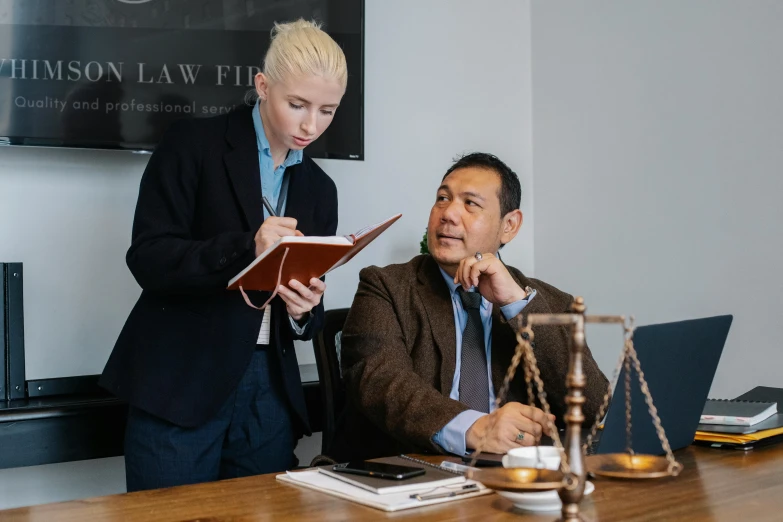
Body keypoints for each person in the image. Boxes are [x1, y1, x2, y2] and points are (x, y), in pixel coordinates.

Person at [100, 19, 347, 491]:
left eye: (327, 110)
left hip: (269, 390)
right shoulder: (192, 144)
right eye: (297, 104)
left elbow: (306, 313)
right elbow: (148, 258)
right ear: (262, 85)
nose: (311, 124)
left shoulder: (320, 189)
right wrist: (246, 246)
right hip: (181, 380)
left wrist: (305, 310)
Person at [328, 153, 609, 461]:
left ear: (509, 226)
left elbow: (595, 406)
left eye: (470, 203)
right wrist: (476, 427)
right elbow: (382, 384)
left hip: (514, 477)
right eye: (442, 199)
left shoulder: (550, 303)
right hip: (410, 472)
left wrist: (516, 304)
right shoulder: (385, 287)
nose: (448, 213)